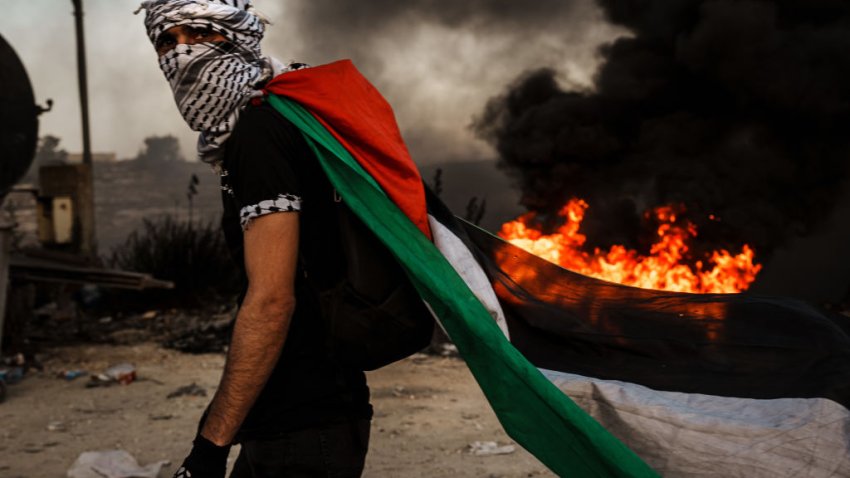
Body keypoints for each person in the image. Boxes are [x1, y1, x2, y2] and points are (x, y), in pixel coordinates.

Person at [136, 1, 372, 477]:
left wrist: (210, 447)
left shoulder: (260, 134)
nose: (182, 53)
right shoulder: (278, 122)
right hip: (304, 416)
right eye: (167, 40)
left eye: (201, 33)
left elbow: (271, 301)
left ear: (239, 37)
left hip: (305, 423)